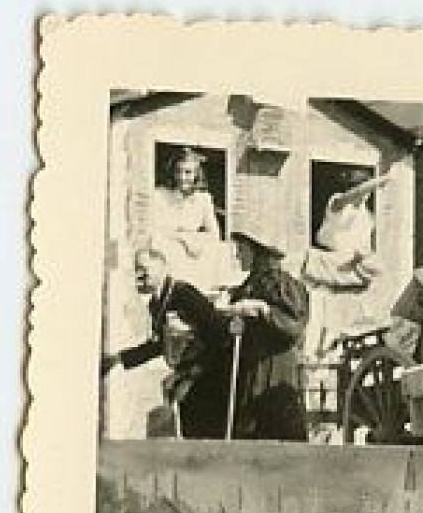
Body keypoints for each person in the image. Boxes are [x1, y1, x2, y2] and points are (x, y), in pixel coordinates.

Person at [100, 246, 230, 439]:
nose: (139, 274)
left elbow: (218, 333)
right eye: (136, 269)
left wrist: (194, 375)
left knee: (204, 435)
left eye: (144, 268)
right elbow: (159, 345)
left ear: (163, 267)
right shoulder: (156, 304)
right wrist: (118, 359)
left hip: (209, 377)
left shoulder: (184, 294)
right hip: (187, 377)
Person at [224, 227, 310, 441]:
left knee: (278, 427)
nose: (237, 255)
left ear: (257, 252)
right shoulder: (250, 285)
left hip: (277, 368)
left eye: (242, 250)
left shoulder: (282, 285)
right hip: (254, 368)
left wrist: (263, 310)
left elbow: (294, 325)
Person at [305, 167, 390, 290]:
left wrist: (363, 255)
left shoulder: (368, 216)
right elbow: (356, 192)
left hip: (355, 262)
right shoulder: (337, 202)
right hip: (332, 256)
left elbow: (366, 246)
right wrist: (381, 180)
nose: (365, 194)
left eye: (368, 191)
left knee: (378, 268)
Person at [150, 148, 221, 276]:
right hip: (167, 255)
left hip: (193, 256)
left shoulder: (203, 199)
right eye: (178, 171)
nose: (182, 178)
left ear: (196, 174)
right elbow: (155, 231)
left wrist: (194, 241)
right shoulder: (159, 195)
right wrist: (183, 239)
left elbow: (214, 235)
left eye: (188, 172)